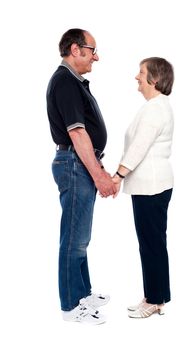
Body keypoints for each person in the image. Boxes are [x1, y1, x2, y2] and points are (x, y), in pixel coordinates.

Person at [46, 28, 116, 325]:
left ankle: (82, 292)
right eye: (92, 50)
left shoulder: (73, 82)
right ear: (76, 49)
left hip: (78, 164)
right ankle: (71, 306)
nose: (96, 57)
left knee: (80, 237)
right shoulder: (65, 81)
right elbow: (77, 132)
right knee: (74, 239)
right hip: (75, 164)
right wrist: (99, 174)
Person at [112, 57, 174, 318]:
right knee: (152, 243)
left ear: (155, 79)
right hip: (152, 185)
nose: (136, 77)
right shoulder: (155, 106)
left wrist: (117, 176)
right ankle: (154, 296)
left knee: (151, 244)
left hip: (151, 186)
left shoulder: (155, 109)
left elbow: (139, 147)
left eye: (141, 72)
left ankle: (155, 299)